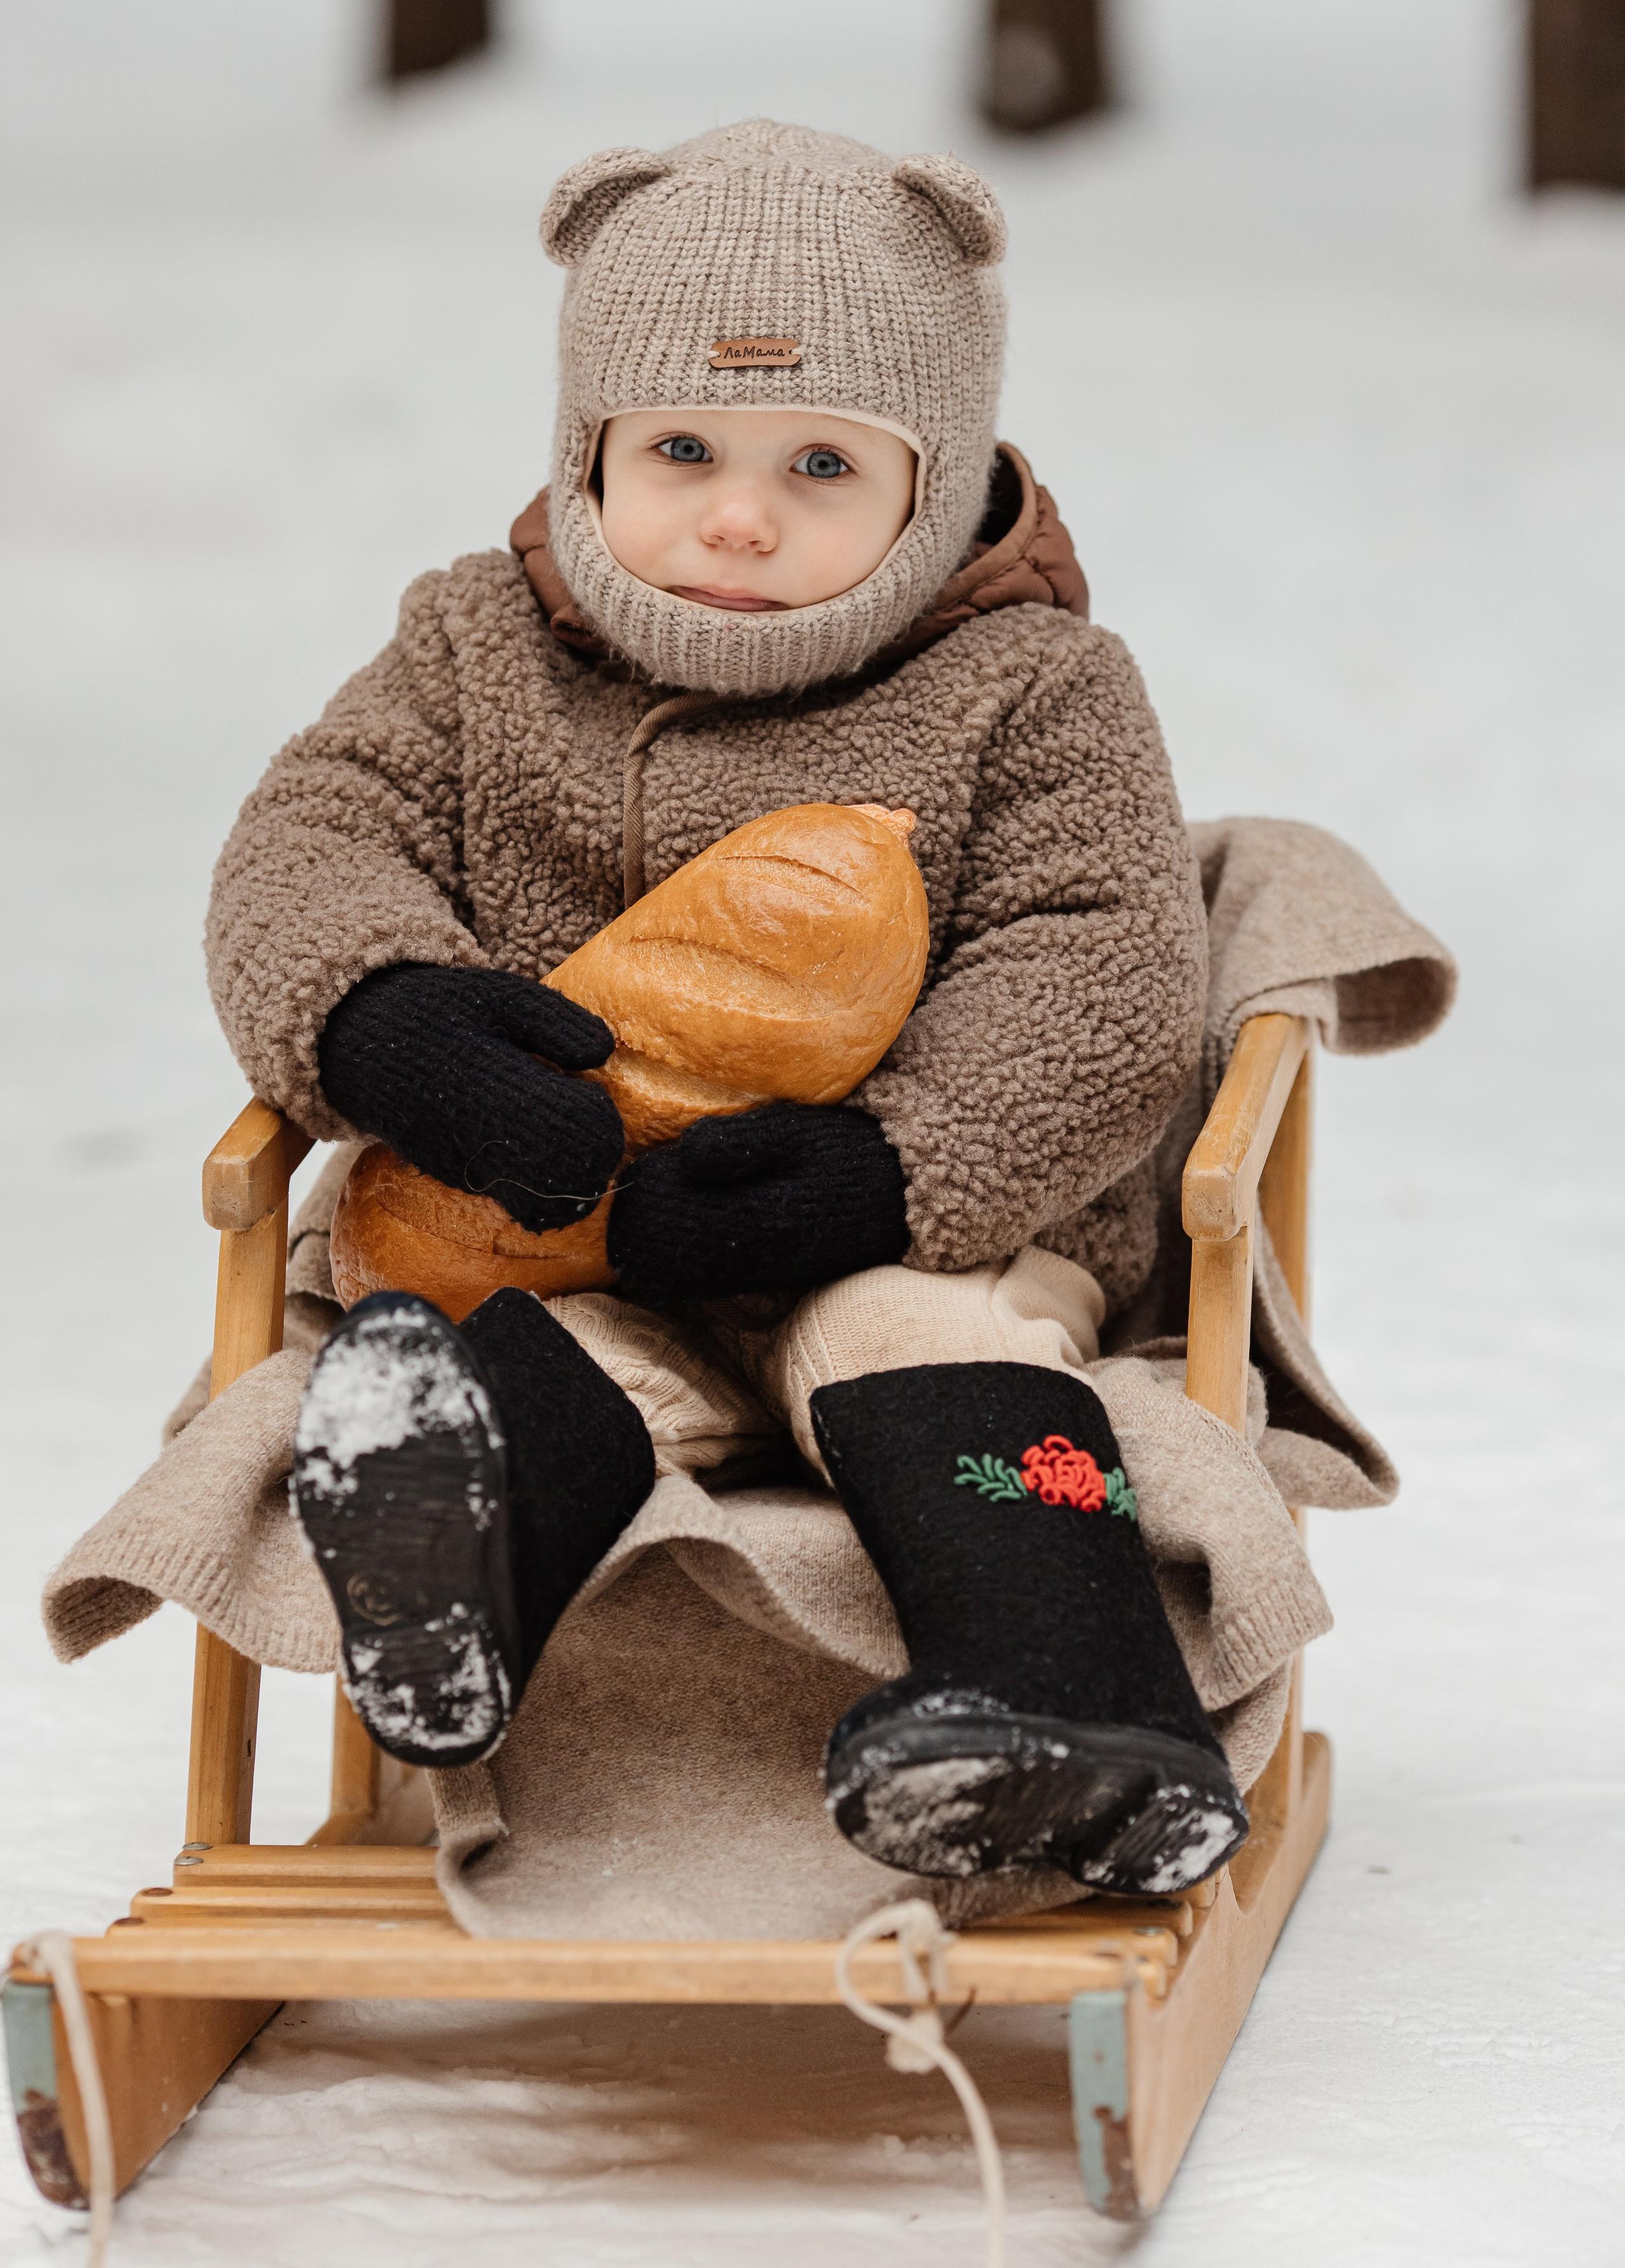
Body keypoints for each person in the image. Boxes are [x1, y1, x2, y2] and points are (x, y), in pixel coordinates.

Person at [210, 119, 1245, 1898]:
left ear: (935, 482)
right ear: (587, 446)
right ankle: (451, 1611)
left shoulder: (1034, 687)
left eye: (824, 463)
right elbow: (313, 836)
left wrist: (896, 1167)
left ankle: (1076, 1710)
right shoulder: (470, 649)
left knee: (912, 1343)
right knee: (553, 1374)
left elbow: (1099, 965)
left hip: (927, 1229)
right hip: (583, 1241)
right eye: (680, 447)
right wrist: (386, 1017)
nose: (741, 516)